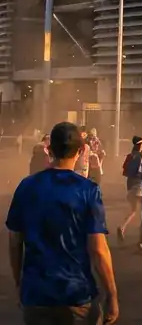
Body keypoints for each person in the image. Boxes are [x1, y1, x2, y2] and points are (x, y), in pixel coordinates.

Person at [6, 122, 119, 324]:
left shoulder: (27, 186)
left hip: (37, 294)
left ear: (49, 149)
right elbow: (98, 249)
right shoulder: (88, 190)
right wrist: (112, 294)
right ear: (81, 150)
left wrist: (19, 282)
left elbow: (14, 241)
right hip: (76, 295)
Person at [116, 136, 142, 243]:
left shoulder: (130, 156)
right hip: (140, 184)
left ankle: (122, 227)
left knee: (134, 210)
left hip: (130, 184)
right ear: (141, 144)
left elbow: (125, 171)